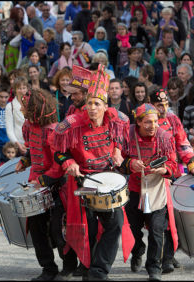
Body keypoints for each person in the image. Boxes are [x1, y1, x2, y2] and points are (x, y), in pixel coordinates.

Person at [50, 64, 134, 280]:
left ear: (106, 106)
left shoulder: (118, 120)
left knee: (114, 224)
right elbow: (57, 151)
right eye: (89, 103)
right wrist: (68, 161)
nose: (92, 108)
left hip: (108, 181)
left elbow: (121, 139)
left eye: (97, 104)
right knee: (86, 229)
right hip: (82, 181)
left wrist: (117, 151)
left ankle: (98, 270)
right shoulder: (71, 124)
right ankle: (88, 269)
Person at [15, 87, 71, 281]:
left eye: (25, 106)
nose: (21, 109)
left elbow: (58, 163)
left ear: (35, 108)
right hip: (37, 184)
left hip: (55, 184)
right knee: (37, 228)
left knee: (58, 228)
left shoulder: (53, 130)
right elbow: (33, 151)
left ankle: (69, 266)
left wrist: (44, 180)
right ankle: (48, 268)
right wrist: (25, 161)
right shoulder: (29, 126)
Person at [120, 103, 178, 281]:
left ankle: (154, 267)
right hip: (135, 190)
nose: (152, 126)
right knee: (133, 229)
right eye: (147, 122)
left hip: (157, 189)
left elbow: (174, 164)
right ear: (138, 122)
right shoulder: (127, 135)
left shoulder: (165, 137)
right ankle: (137, 250)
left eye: (155, 122)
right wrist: (130, 164)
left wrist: (165, 170)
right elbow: (118, 160)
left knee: (157, 229)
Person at [148, 89, 194, 273]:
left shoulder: (173, 120)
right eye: (158, 105)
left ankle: (168, 258)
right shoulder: (146, 122)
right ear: (151, 105)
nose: (163, 109)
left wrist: (192, 163)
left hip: (173, 174)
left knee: (174, 219)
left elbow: (183, 142)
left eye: (165, 105)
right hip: (152, 178)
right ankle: (161, 256)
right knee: (158, 223)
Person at [5, 76, 27, 156]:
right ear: (14, 90)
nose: (22, 91)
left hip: (33, 145)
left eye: (24, 88)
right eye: (19, 88)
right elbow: (9, 130)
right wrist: (18, 145)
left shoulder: (33, 104)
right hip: (18, 146)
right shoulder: (10, 106)